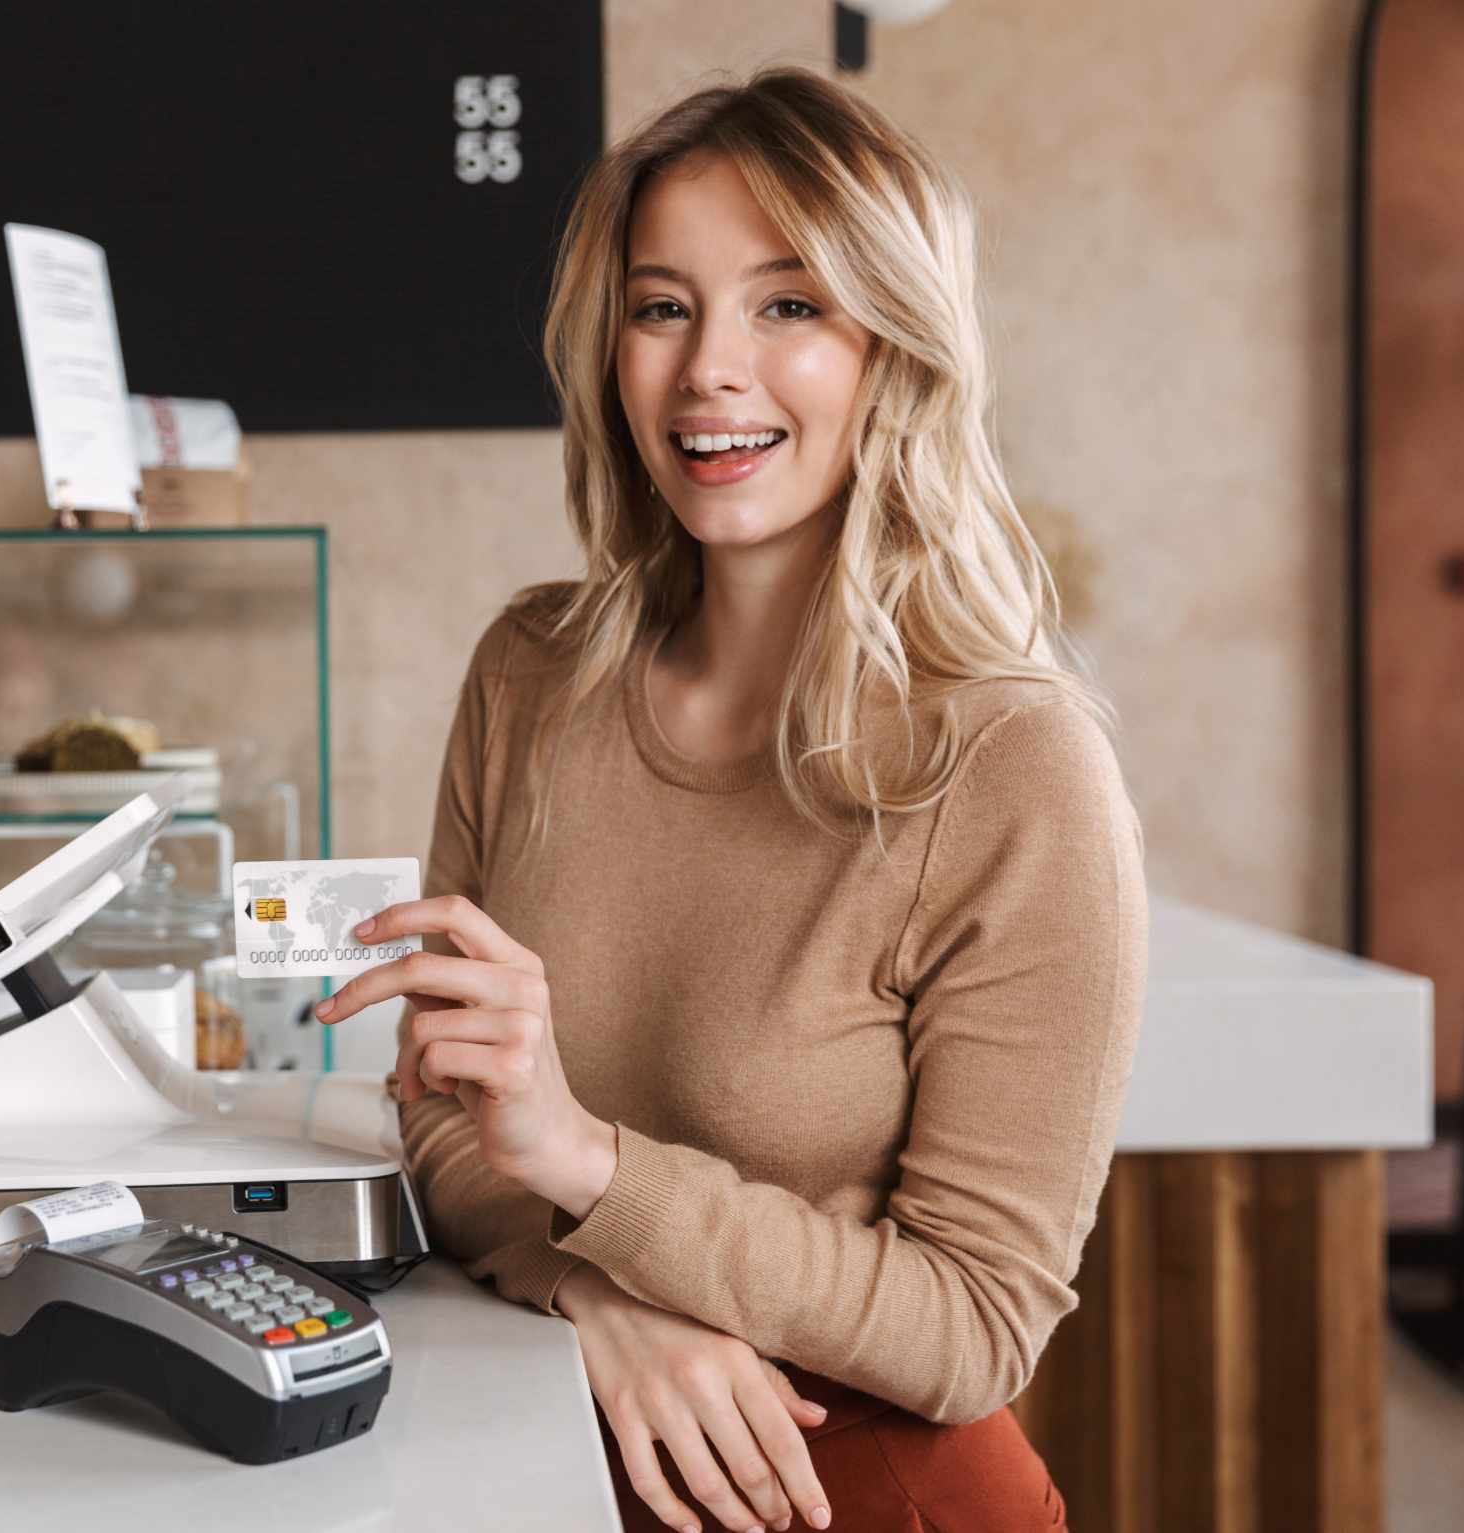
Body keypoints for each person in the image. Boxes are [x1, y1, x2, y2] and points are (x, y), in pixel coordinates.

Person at [315, 66, 1144, 1533]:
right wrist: (591, 1290)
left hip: (859, 1496)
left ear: (890, 344)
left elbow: (973, 1326)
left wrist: (589, 1167)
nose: (709, 367)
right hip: (544, 1460)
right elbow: (437, 1118)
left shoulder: (1014, 767)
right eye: (659, 306)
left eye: (787, 305)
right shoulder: (530, 673)